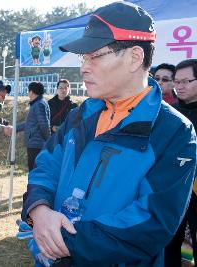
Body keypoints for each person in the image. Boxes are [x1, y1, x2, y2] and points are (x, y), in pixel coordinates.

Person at [21, 2, 196, 267]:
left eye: (95, 55)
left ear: (135, 57)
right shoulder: (81, 115)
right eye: (84, 57)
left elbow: (151, 223)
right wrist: (38, 212)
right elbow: (44, 168)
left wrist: (61, 244)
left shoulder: (174, 132)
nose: (84, 68)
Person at [165, 59, 197, 267]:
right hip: (172, 189)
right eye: (177, 81)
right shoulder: (170, 113)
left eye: (186, 81)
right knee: (169, 243)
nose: (180, 86)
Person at [17, 81, 51, 171]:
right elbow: (30, 123)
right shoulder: (39, 103)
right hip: (35, 142)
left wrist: (48, 140)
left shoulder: (39, 104)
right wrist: (15, 129)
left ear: (31, 92)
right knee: (34, 168)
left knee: (34, 169)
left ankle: (34, 185)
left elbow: (44, 124)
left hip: (36, 143)